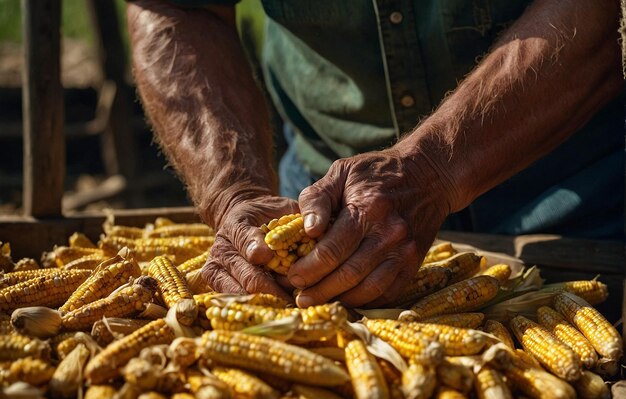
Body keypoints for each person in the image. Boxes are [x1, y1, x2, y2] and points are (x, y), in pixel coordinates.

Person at [126, 0, 623, 308]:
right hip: (323, 203)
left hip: (578, 195)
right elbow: (178, 7)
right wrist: (232, 189)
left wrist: (432, 169)